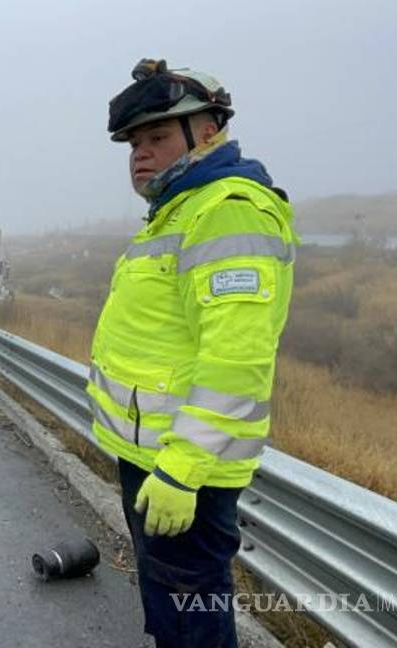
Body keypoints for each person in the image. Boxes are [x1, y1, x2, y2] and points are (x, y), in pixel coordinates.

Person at [89, 59, 297, 647]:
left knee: (192, 603)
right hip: (154, 455)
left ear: (208, 131)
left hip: (186, 469)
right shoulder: (175, 211)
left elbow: (237, 362)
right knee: (169, 597)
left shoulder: (226, 209)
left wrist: (181, 471)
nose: (140, 154)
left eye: (156, 137)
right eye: (133, 142)